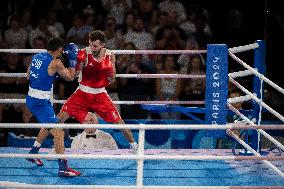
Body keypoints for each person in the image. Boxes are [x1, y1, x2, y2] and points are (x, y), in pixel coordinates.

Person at [57, 30, 138, 152]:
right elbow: (75, 76)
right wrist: (76, 64)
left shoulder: (110, 55)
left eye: (95, 46)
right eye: (90, 44)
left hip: (100, 93)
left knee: (118, 121)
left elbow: (112, 79)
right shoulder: (83, 53)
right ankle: (53, 145)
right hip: (82, 92)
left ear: (103, 45)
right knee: (60, 118)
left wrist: (109, 71)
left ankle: (134, 145)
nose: (92, 48)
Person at [26, 37, 81, 177]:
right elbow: (70, 77)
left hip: (33, 98)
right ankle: (63, 168)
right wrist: (73, 60)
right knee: (59, 132)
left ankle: (33, 153)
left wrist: (50, 76)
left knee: (49, 125)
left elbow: (29, 76)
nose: (63, 52)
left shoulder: (37, 57)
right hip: (40, 103)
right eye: (62, 49)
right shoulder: (56, 62)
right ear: (58, 49)